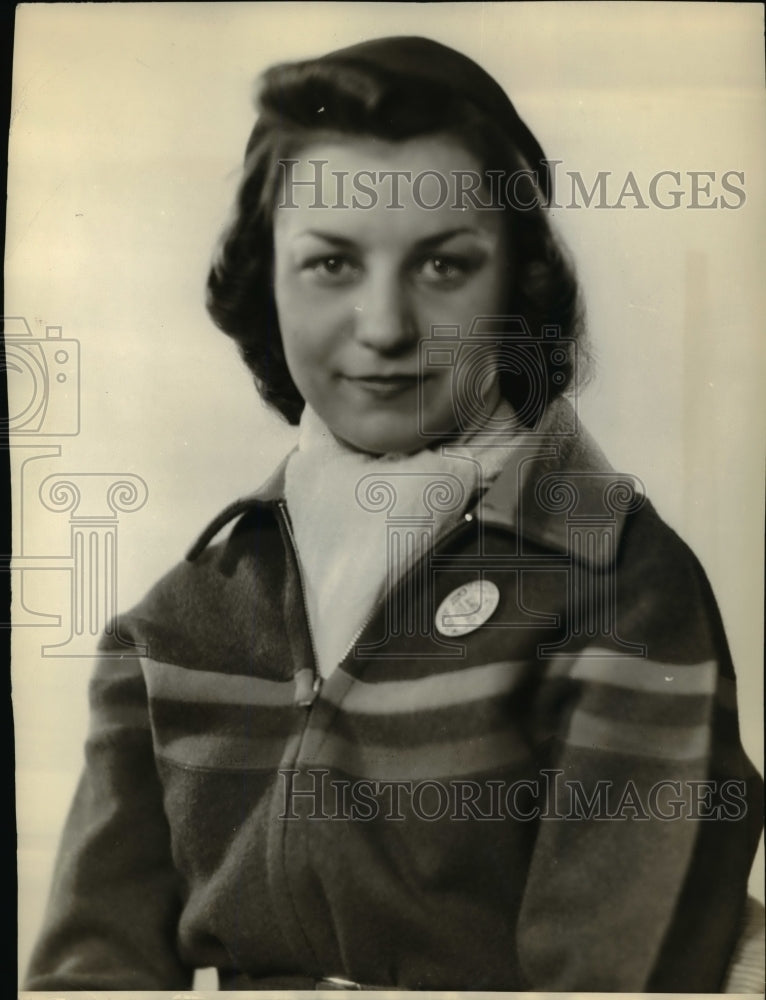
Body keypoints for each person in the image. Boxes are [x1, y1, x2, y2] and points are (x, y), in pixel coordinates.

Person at [25, 36, 763, 992]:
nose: (384, 326)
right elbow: (88, 972)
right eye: (332, 263)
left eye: (444, 266)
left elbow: (624, 975)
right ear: (264, 279)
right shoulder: (184, 618)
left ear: (520, 281)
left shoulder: (617, 585)